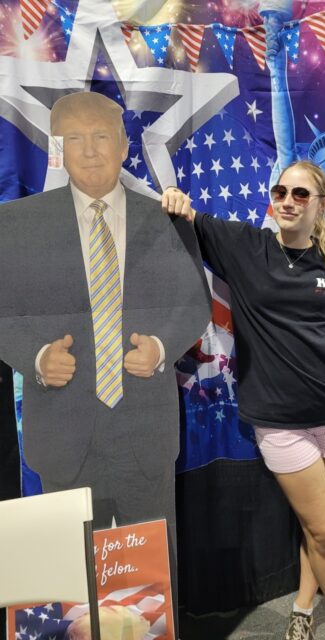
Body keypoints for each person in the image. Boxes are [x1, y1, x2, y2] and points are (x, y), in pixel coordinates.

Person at [0, 91, 211, 637]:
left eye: (101, 137)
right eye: (75, 139)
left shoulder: (166, 218)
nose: (90, 150)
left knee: (150, 593)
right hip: (63, 436)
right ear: (59, 148)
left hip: (145, 434)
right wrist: (36, 357)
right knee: (70, 590)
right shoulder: (17, 223)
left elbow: (193, 303)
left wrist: (161, 347)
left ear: (122, 146)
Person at [162, 160, 325, 640]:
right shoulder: (246, 246)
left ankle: (303, 607)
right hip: (280, 422)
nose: (287, 201)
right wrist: (177, 200)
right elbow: (189, 217)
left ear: (321, 204)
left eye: (300, 194)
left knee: (321, 525)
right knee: (324, 531)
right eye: (281, 191)